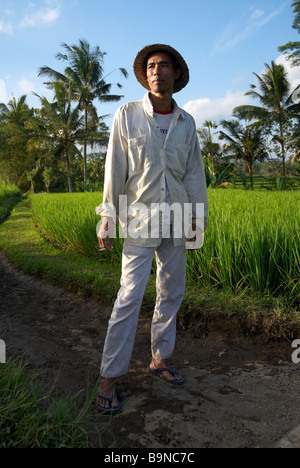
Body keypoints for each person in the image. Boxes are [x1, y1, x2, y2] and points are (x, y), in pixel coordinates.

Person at [95, 44, 208, 414]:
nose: (157, 70)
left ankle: (160, 358)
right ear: (146, 75)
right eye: (151, 66)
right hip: (139, 218)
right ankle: (109, 377)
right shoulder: (127, 115)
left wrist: (196, 219)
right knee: (129, 296)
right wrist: (107, 215)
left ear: (177, 75)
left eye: (164, 65)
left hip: (177, 218)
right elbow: (115, 167)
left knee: (172, 292)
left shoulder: (187, 123)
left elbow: (193, 175)